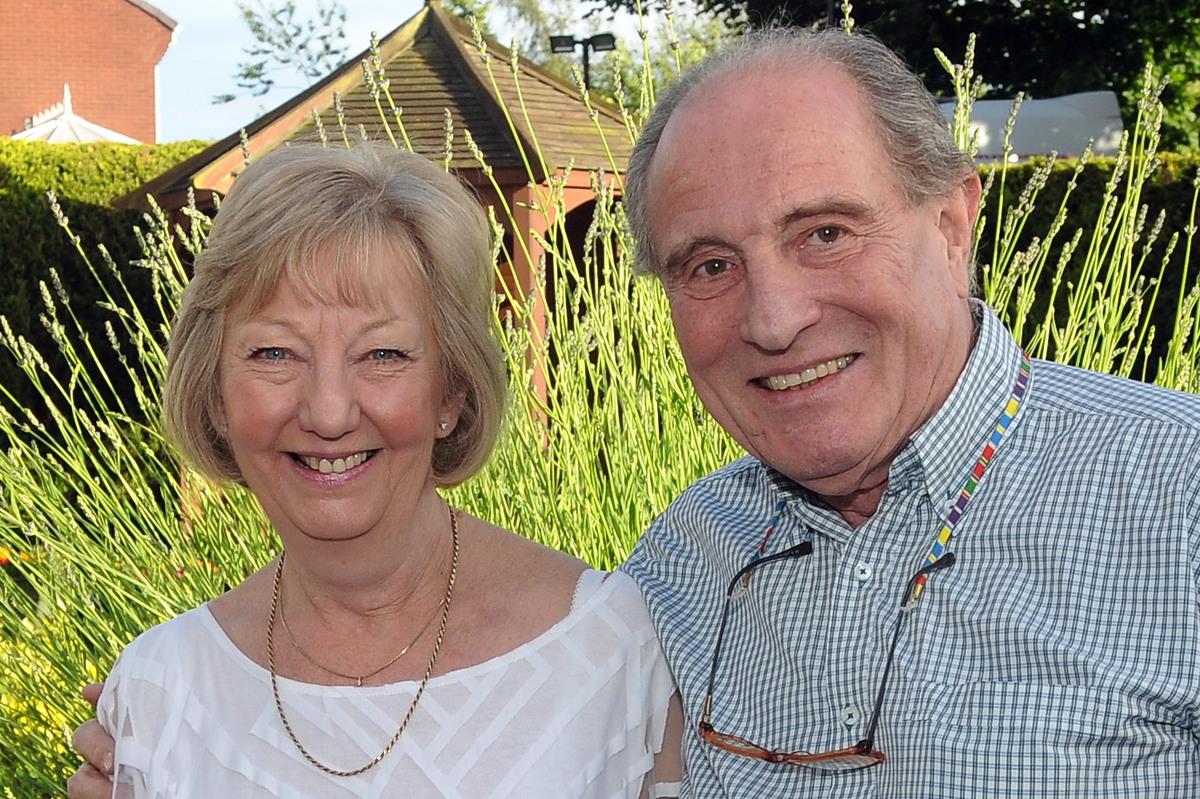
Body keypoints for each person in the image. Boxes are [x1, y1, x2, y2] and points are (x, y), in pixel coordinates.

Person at [616, 27, 1200, 797]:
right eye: (712, 265)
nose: (774, 318)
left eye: (825, 233)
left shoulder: (1177, 499)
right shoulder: (682, 563)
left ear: (953, 227)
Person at [66, 142, 681, 798]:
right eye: (276, 352)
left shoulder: (609, 653)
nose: (329, 411)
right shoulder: (163, 690)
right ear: (216, 393)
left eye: (382, 353)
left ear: (452, 391)